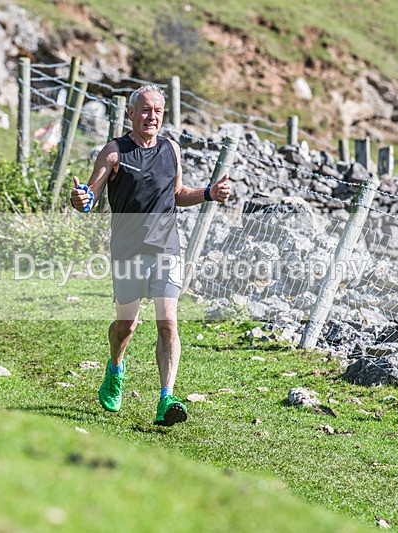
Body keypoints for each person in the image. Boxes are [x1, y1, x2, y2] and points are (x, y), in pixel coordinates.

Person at [70, 85, 231, 426]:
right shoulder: (114, 153)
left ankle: (166, 398)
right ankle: (115, 368)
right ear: (130, 114)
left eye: (158, 111)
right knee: (126, 326)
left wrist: (208, 193)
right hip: (128, 250)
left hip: (166, 248)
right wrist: (80, 199)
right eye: (145, 110)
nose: (152, 116)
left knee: (168, 324)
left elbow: (176, 194)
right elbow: (90, 196)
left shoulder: (171, 149)